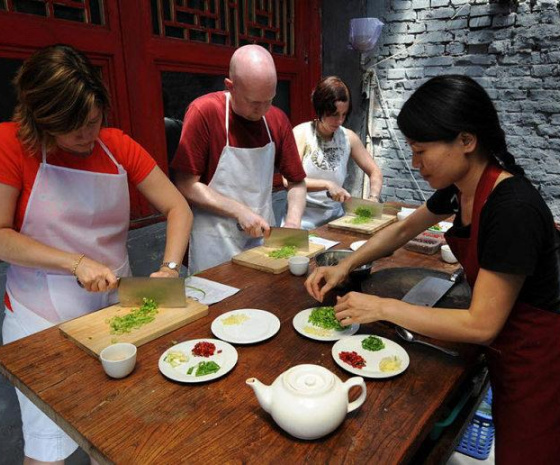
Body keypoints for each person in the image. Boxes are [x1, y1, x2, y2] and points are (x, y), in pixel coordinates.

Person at [305, 75, 560, 464]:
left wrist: (380, 307)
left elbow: (481, 325)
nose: (414, 163)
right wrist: (347, 264)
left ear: (466, 141)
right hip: (509, 347)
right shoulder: (463, 187)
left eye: (421, 150)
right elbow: (404, 228)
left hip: (542, 359)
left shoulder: (512, 209)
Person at [0, 44, 193, 465]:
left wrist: (169, 268)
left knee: (115, 430)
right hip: (41, 320)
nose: (88, 137)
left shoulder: (116, 146)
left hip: (114, 311)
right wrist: (75, 262)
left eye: (93, 121)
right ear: (41, 118)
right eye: (73, 129)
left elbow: (178, 207)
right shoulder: (10, 146)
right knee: (47, 444)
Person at [171, 44, 306, 273]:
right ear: (230, 86)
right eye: (254, 102)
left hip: (262, 236)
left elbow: (296, 182)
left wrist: (292, 222)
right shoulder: (204, 112)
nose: (263, 110)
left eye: (269, 100)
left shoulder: (277, 120)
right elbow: (186, 184)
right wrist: (239, 211)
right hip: (214, 238)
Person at [292, 76, 383, 229]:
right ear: (320, 109)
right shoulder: (302, 133)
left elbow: (375, 172)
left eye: (344, 114)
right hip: (302, 219)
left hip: (335, 218)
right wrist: (327, 184)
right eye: (334, 114)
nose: (340, 121)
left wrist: (373, 198)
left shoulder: (348, 138)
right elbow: (289, 180)